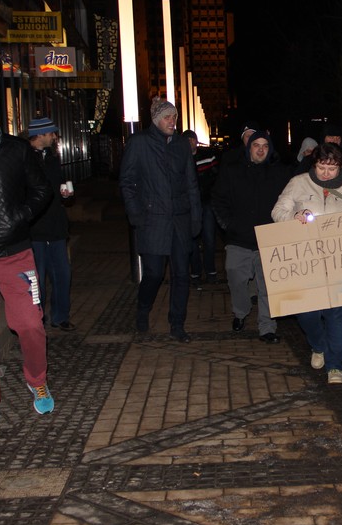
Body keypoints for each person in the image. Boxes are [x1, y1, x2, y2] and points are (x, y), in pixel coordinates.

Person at [0, 90, 54, 434]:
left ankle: (37, 379)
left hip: (15, 253)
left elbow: (41, 190)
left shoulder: (16, 150)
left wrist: (18, 217)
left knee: (30, 324)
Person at [271, 143, 342, 384]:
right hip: (306, 260)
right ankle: (318, 345)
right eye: (321, 167)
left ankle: (335, 365)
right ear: (313, 164)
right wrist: (291, 218)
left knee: (336, 314)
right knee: (306, 313)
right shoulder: (298, 183)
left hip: (339, 261)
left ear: (341, 166)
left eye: (332, 168)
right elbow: (278, 210)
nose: (326, 173)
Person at [119, 97, 201, 343]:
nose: (172, 122)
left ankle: (177, 323)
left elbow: (191, 183)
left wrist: (195, 216)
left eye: (174, 117)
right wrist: (136, 215)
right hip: (152, 220)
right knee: (154, 274)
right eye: (167, 117)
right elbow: (127, 182)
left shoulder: (181, 145)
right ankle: (143, 309)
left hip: (180, 219)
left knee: (181, 275)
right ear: (156, 119)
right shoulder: (139, 143)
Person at [212, 130, 291, 343]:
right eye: (257, 145)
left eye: (265, 146)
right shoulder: (232, 171)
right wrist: (228, 224)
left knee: (268, 286)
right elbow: (218, 200)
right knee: (236, 277)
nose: (261, 150)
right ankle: (241, 310)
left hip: (269, 239)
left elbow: (292, 199)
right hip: (239, 238)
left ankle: (267, 327)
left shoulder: (280, 173)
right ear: (249, 148)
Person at [28, 117, 76, 331]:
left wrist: (65, 194)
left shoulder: (53, 158)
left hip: (56, 227)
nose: (55, 137)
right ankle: (36, 318)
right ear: (39, 135)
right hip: (35, 230)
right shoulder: (25, 159)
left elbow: (56, 186)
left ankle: (60, 316)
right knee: (36, 279)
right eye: (51, 133)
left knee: (62, 274)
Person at [186, 129, 220, 288]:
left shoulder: (207, 156)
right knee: (192, 239)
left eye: (192, 140)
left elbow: (216, 176)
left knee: (209, 238)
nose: (191, 143)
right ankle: (196, 272)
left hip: (207, 202)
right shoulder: (181, 159)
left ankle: (211, 271)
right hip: (190, 205)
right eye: (187, 140)